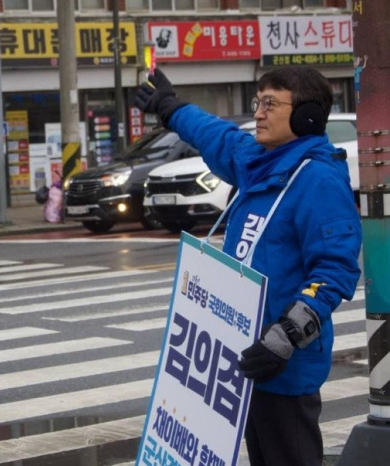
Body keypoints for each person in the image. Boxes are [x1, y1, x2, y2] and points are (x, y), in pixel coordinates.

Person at [134, 66, 362, 466]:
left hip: (284, 367)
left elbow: (334, 269)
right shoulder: (257, 160)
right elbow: (214, 134)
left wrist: (285, 336)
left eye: (270, 103)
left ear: (306, 115)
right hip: (241, 358)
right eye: (258, 102)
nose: (258, 112)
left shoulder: (318, 179)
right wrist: (170, 108)